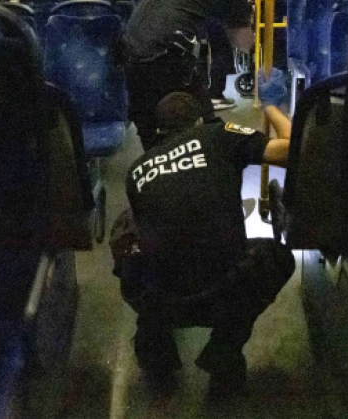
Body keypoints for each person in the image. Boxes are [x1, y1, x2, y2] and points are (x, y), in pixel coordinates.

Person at [117, 80, 295, 391]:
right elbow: (287, 149)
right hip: (224, 292)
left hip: (160, 297)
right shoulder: (218, 134)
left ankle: (155, 348)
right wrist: (270, 106)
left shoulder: (136, 169)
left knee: (130, 232)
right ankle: (224, 352)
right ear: (199, 121)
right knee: (277, 259)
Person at [123, 0, 254, 149]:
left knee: (150, 130)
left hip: (130, 48)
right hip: (166, 53)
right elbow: (243, 43)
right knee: (207, 124)